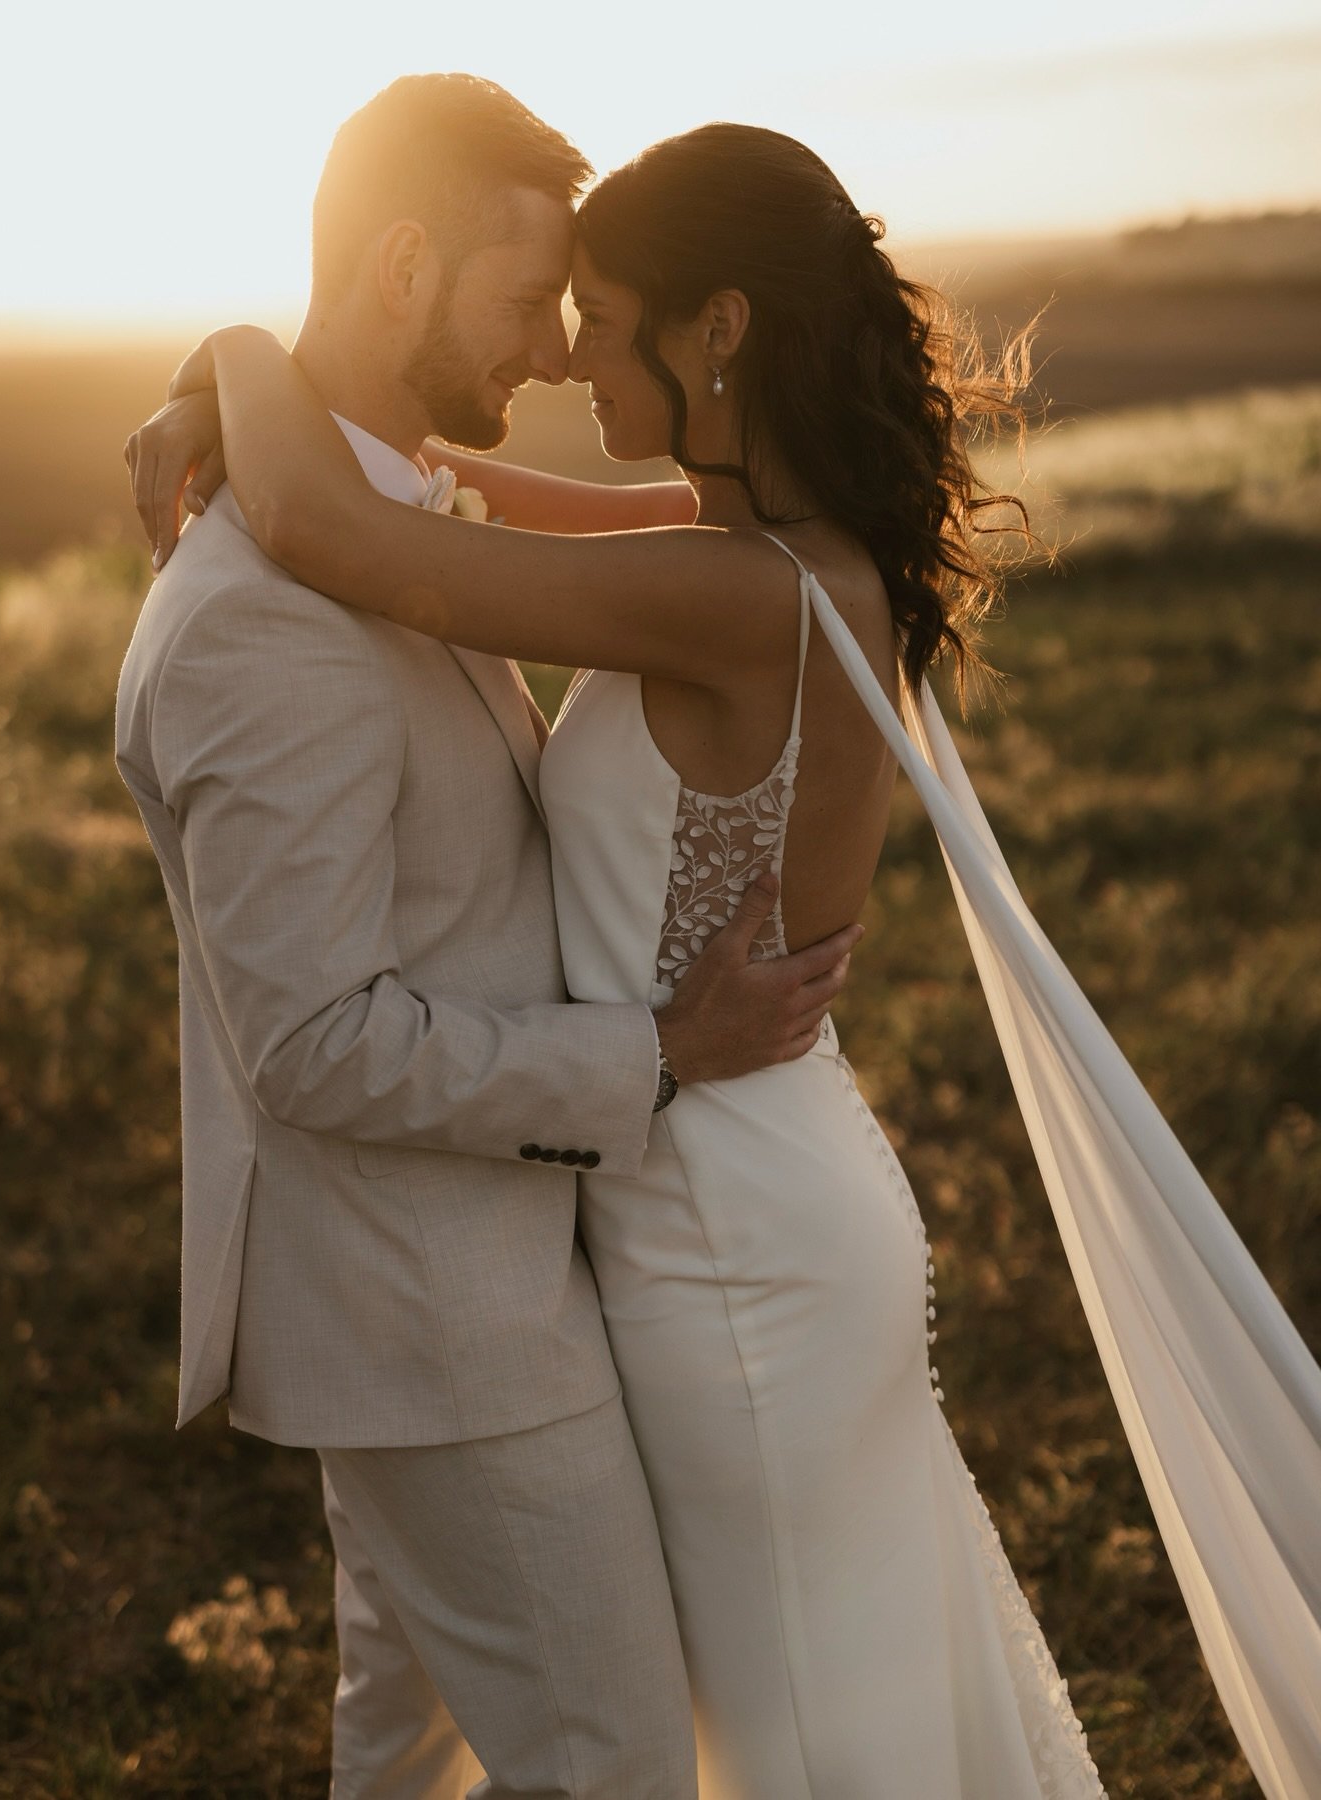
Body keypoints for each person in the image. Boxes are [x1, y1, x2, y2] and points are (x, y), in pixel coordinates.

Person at [133, 110, 1321, 1800]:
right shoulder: (760, 559)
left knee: (799, 1733)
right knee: (816, 1701)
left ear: (719, 327)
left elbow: (360, 538)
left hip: (725, 1239)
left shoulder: (738, 597)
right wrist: (258, 394)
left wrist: (238, 349)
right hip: (753, 1191)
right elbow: (436, 488)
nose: (567, 366)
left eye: (600, 324)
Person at [115, 78, 862, 1800]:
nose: (548, 350)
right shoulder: (263, 623)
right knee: (616, 1763)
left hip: (448, 1293)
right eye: (529, 302)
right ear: (399, 266)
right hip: (443, 1326)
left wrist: (227, 362)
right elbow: (309, 1043)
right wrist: (659, 1055)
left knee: (405, 1756)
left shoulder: (381, 519)